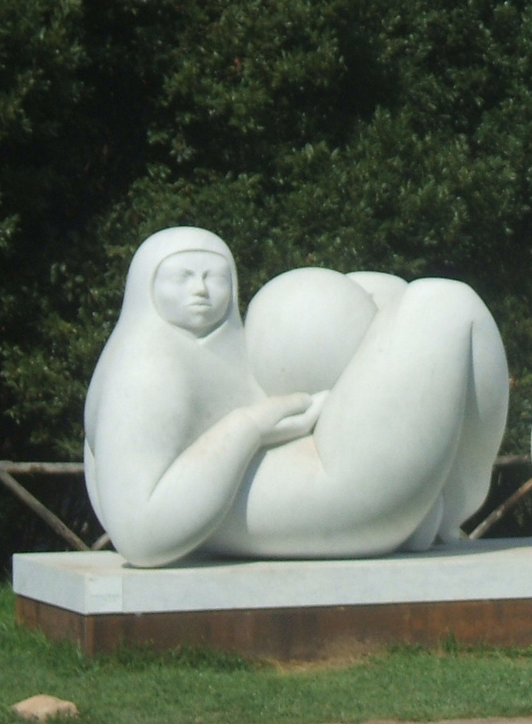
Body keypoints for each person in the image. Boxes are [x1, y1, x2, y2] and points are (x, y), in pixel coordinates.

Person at [84, 227, 507, 566]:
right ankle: (453, 503)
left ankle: (429, 507)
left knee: (380, 291)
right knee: (446, 304)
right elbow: (140, 534)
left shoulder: (200, 347)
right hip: (322, 496)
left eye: (214, 277)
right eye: (181, 277)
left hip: (302, 483)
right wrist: (251, 426)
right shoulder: (145, 369)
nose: (201, 290)